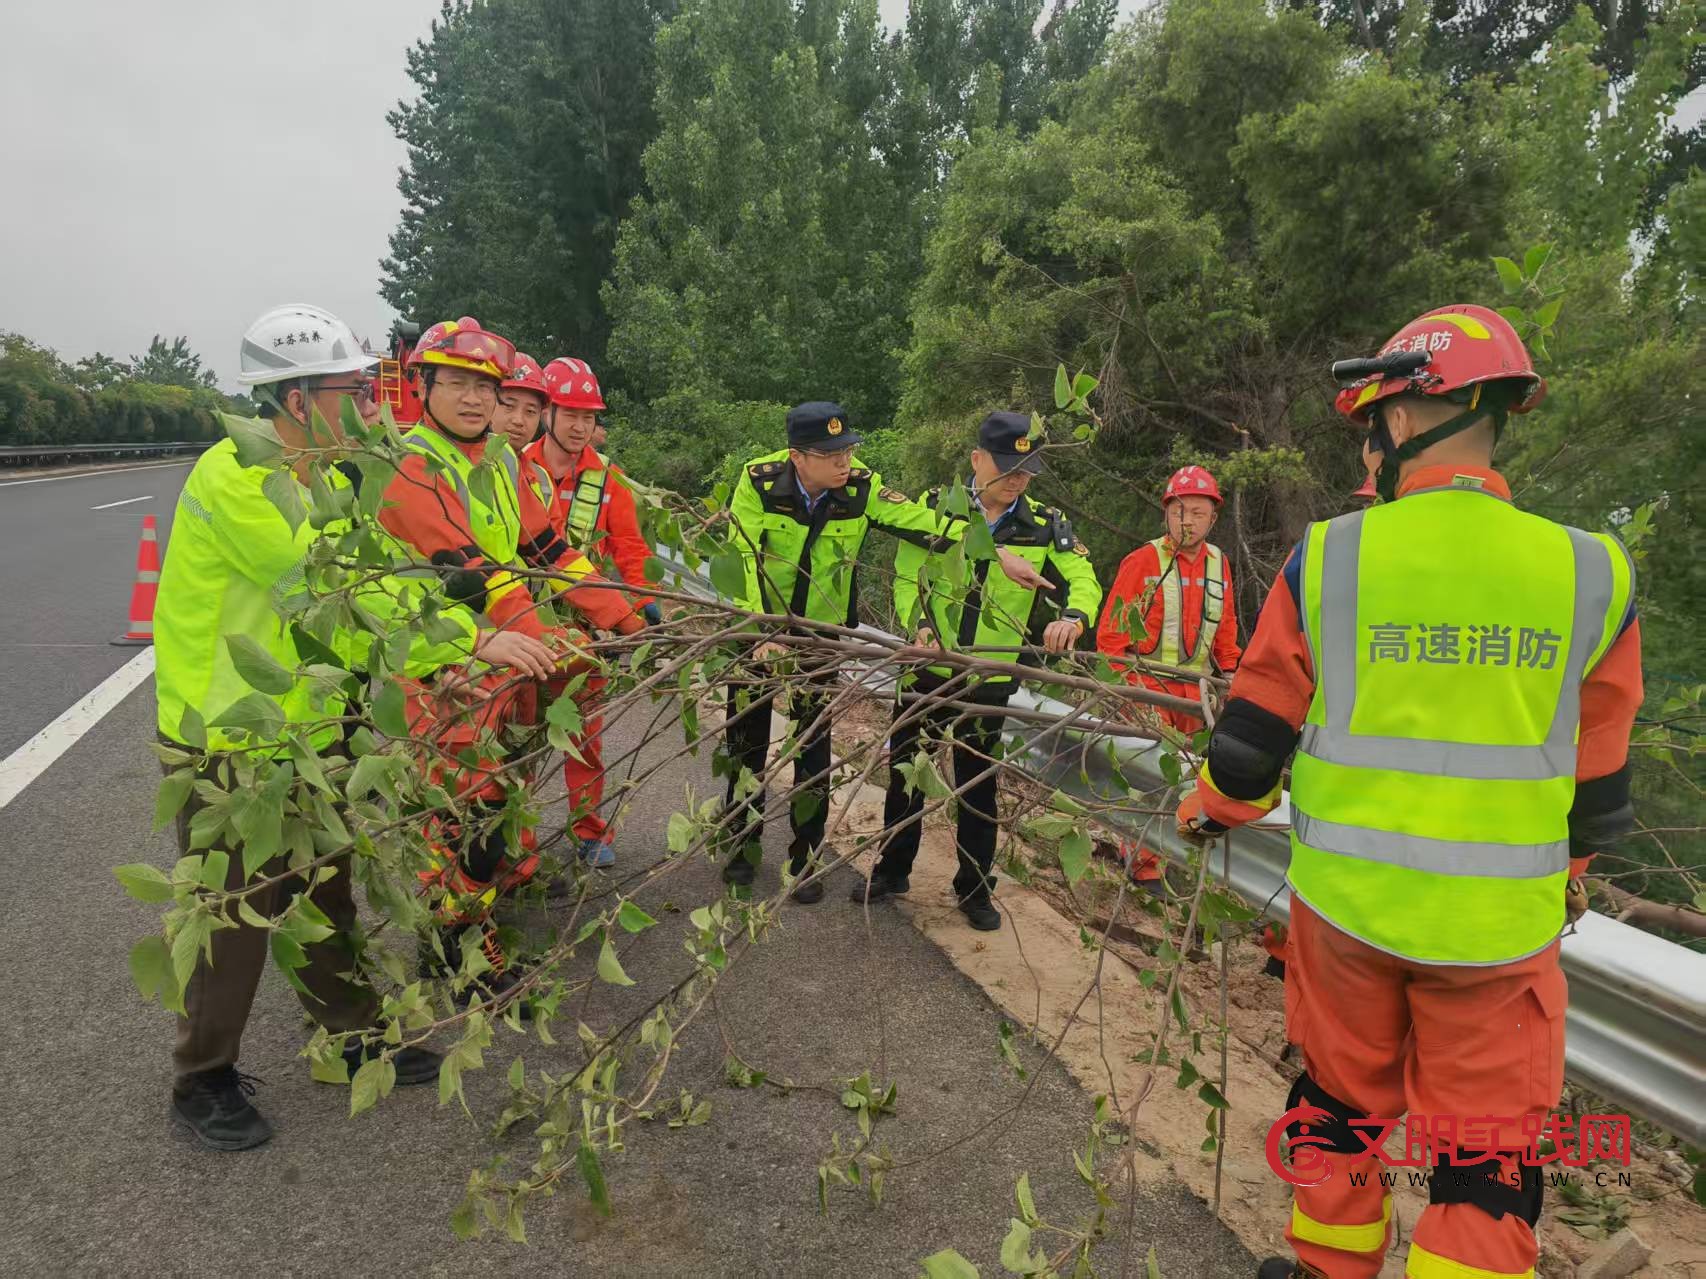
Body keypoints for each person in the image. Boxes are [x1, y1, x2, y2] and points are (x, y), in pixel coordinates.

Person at [1178, 305, 1643, 1279]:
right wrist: (1569, 872)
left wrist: (1208, 809)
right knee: (1484, 1160)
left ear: (1406, 416)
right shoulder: (1589, 576)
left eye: (1374, 419)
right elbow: (1597, 793)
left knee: (1336, 1114)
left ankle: (1326, 1268)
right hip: (1495, 941)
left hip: (1345, 921)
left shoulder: (1332, 558)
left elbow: (1248, 747)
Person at [153, 304, 558, 1151]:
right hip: (229, 738)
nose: (376, 404)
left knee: (324, 887)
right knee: (233, 915)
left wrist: (433, 656)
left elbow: (370, 591)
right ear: (299, 401)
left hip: (306, 725)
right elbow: (331, 587)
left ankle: (348, 1040)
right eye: (357, 389)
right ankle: (203, 1077)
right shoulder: (239, 479)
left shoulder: (326, 477)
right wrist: (475, 638)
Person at [378, 316, 644, 960]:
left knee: (489, 808)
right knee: (469, 812)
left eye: (487, 388)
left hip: (494, 657)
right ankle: (455, 948)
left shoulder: (495, 464)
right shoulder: (411, 467)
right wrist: (549, 640)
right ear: (423, 384)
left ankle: (465, 930)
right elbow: (480, 575)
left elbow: (550, 551)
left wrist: (628, 617)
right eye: (458, 384)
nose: (475, 400)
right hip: (441, 662)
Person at [719, 401, 1003, 902]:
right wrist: (761, 630)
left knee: (811, 747)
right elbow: (741, 555)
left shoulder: (861, 486)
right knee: (748, 743)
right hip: (758, 632)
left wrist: (992, 551)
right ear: (797, 457)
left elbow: (922, 523)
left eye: (848, 449)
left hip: (821, 640)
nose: (844, 461)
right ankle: (742, 847)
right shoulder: (759, 482)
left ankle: (805, 859)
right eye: (832, 454)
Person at [850, 411, 1103, 931]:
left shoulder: (1044, 523)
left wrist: (1074, 617)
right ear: (976, 460)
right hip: (927, 669)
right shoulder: (933, 511)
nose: (1017, 479)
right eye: (1007, 467)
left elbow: (1083, 576)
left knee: (977, 786)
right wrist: (917, 626)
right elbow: (906, 576)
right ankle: (894, 870)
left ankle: (975, 888)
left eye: (1026, 471)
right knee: (907, 776)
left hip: (989, 677)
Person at [520, 356, 659, 863]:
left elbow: (631, 549)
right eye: (570, 413)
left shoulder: (609, 479)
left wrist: (643, 606)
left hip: (587, 629)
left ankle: (590, 829)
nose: (581, 426)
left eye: (589, 416)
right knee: (523, 735)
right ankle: (521, 838)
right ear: (548, 413)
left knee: (585, 736)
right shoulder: (516, 468)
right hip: (526, 625)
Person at [1095, 465, 1242, 889]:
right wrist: (1133, 694)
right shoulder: (1143, 561)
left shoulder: (1220, 564)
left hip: (1197, 695)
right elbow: (1111, 640)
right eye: (1180, 511)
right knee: (1148, 777)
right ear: (1166, 513)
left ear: (1213, 518)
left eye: (1198, 512)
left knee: (1189, 778)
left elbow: (1226, 632)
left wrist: (1231, 676)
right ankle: (1141, 865)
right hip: (1149, 690)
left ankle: (1179, 859)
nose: (1188, 521)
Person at [493, 351, 548, 451]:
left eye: (530, 411)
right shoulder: (464, 464)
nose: (518, 421)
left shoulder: (535, 467)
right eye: (509, 406)